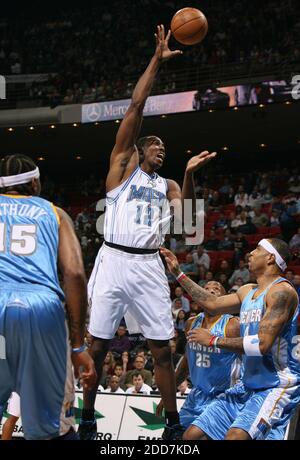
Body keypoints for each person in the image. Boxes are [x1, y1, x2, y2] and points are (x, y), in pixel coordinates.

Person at [78, 25, 216, 441]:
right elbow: (137, 105)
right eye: (156, 147)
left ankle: (171, 425)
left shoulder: (168, 185)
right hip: (113, 259)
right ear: (140, 149)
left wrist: (189, 176)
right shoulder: (123, 167)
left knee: (162, 348)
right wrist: (157, 58)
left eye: (164, 151)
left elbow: (189, 224)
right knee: (98, 346)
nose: (162, 151)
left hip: (148, 265)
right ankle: (87, 420)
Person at [160, 238, 300, 440]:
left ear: (271, 258)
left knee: (235, 436)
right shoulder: (247, 291)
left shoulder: (282, 292)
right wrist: (178, 273)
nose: (250, 253)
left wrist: (213, 340)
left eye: (257, 249)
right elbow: (212, 303)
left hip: (276, 385)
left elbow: (261, 344)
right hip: (248, 384)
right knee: (192, 435)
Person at [0, 155, 96, 440]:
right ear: (34, 182)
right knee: (50, 427)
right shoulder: (54, 213)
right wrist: (78, 346)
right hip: (41, 310)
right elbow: (75, 274)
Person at [157, 281, 241, 440]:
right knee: (170, 436)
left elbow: (249, 357)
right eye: (206, 288)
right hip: (197, 395)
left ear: (224, 298)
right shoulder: (191, 323)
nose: (210, 291)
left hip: (223, 397)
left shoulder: (232, 325)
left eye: (217, 289)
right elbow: (187, 363)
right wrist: (168, 395)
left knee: (194, 438)